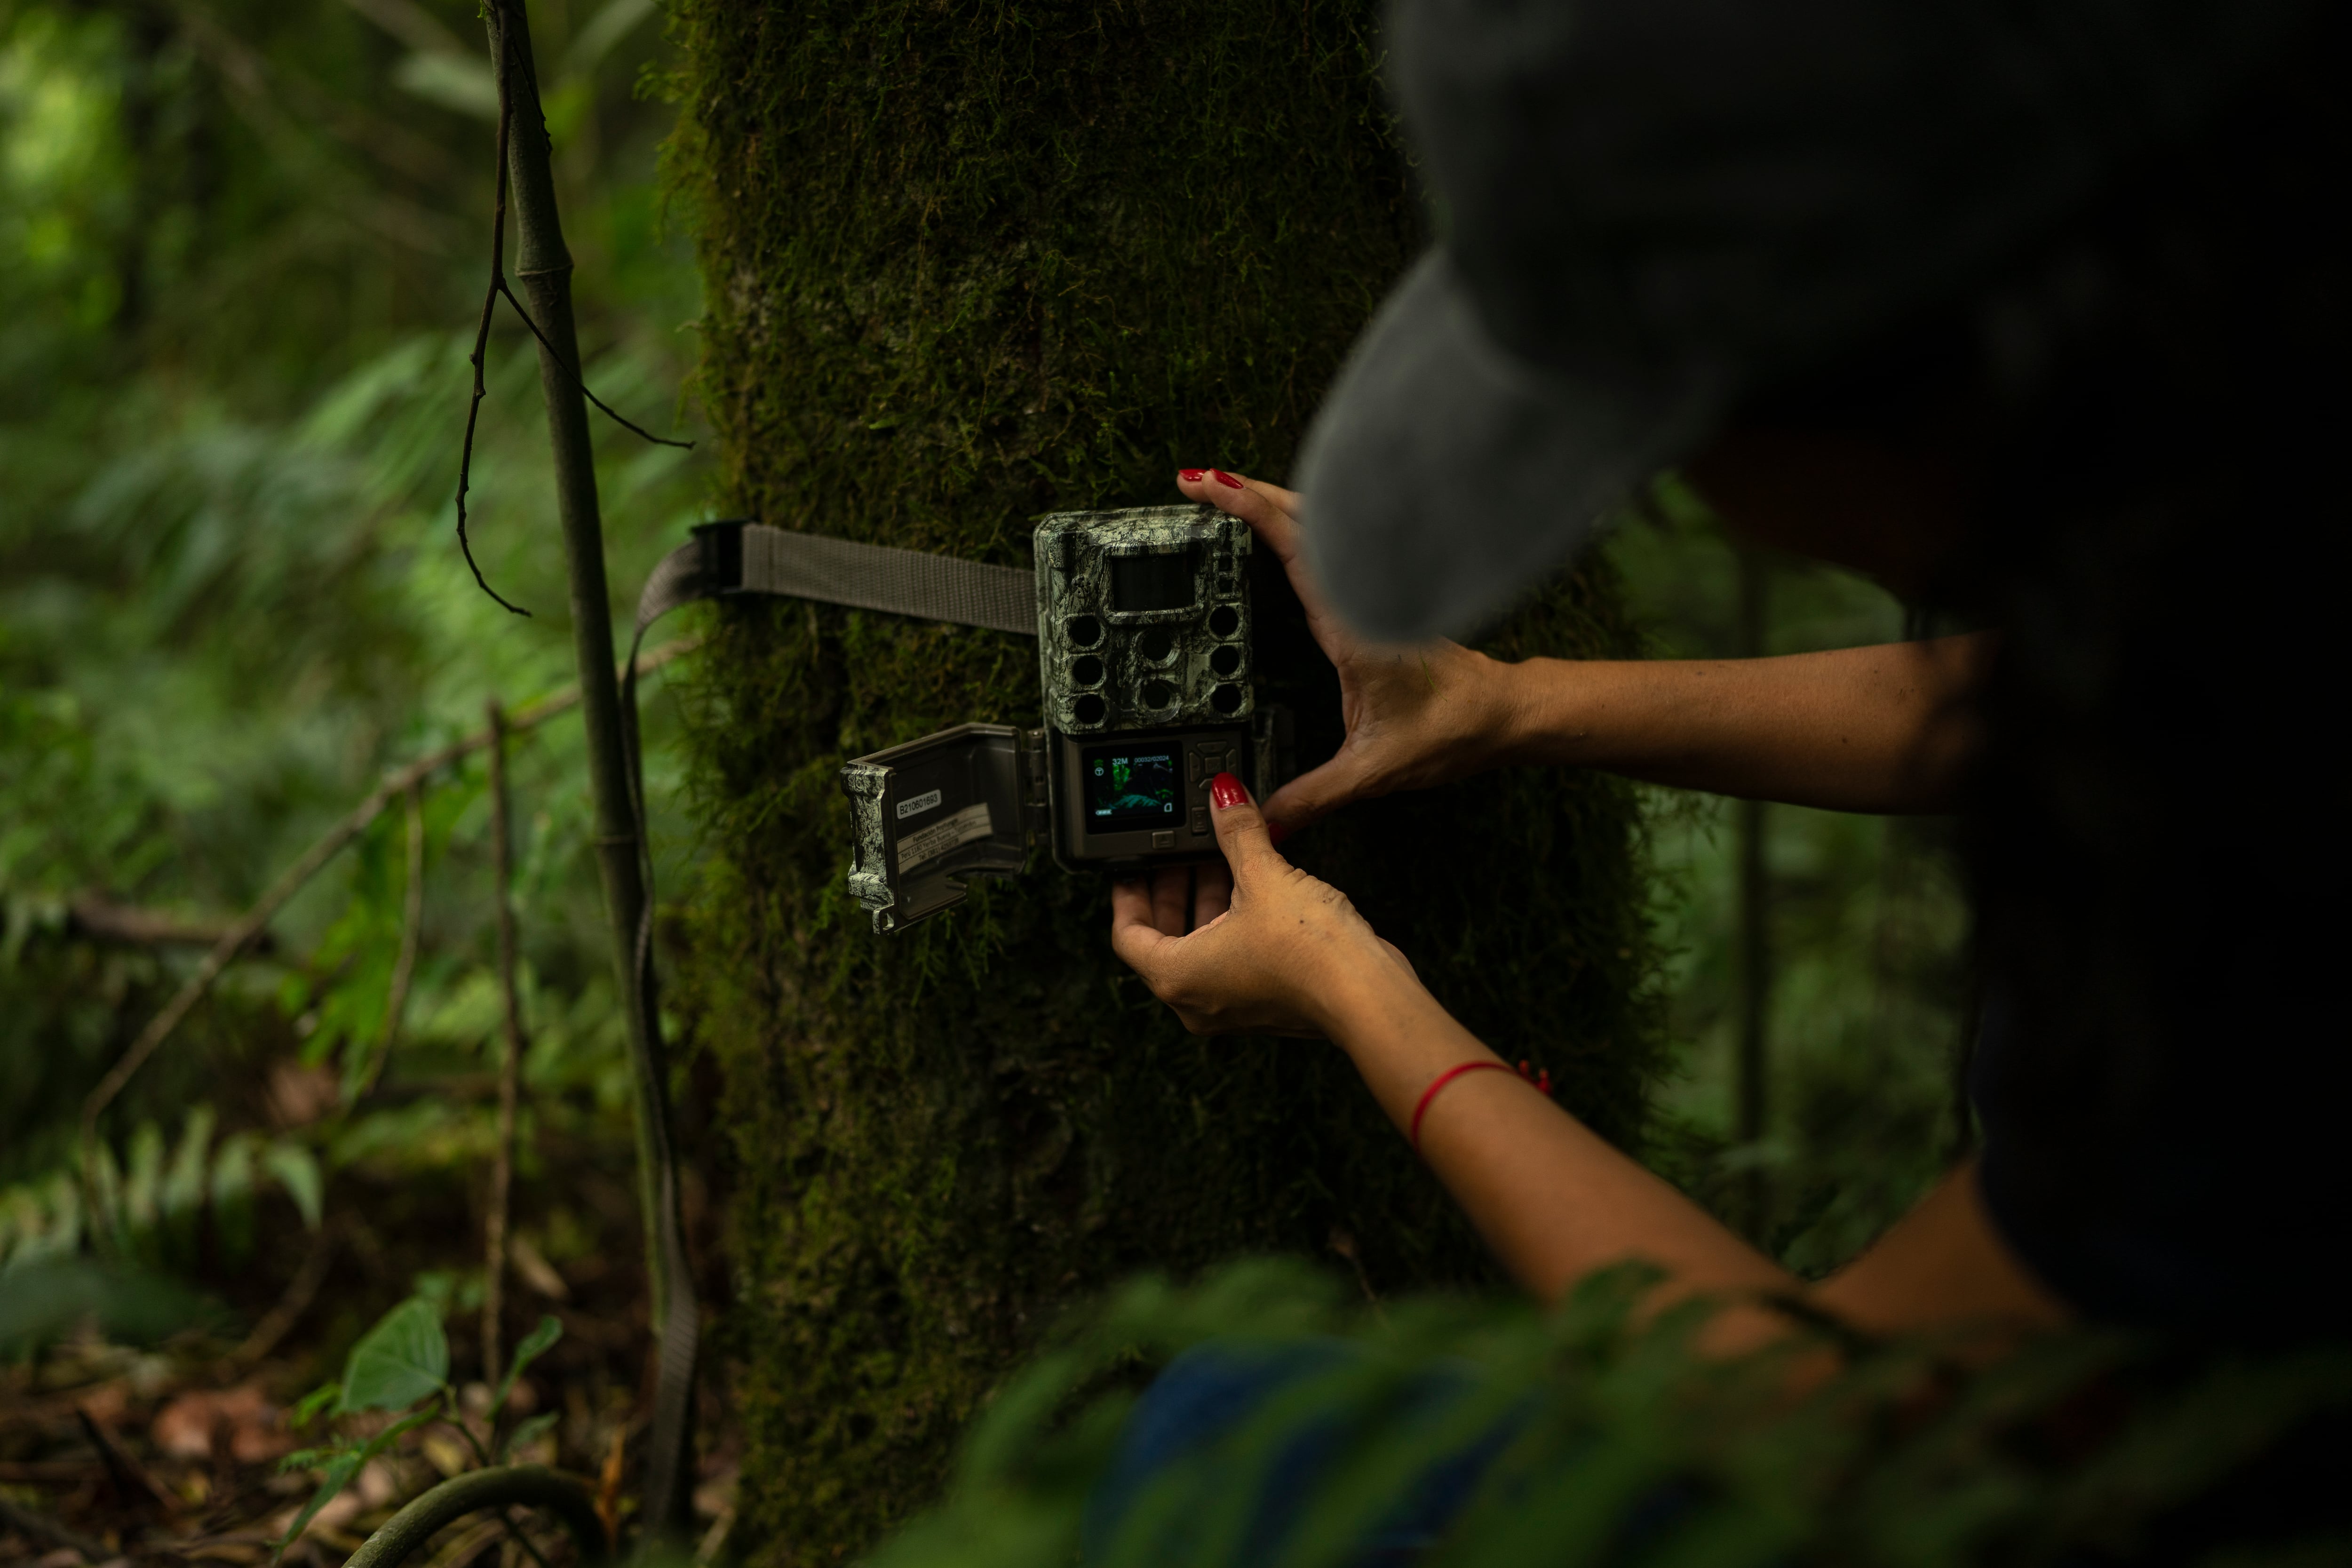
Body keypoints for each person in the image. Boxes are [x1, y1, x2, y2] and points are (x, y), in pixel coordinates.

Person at [1109, 0, 2345, 1362]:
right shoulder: (2239, 492)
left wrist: (1355, 993)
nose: (1662, 481)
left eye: (1647, 427)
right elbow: (2052, 696)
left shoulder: (2242, 885)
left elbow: (1837, 1415)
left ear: (1854, 386)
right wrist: (1512, 705)